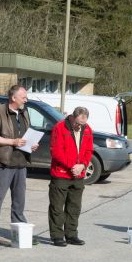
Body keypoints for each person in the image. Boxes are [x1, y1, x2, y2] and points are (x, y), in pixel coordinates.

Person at [0, 84, 39, 249]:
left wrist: (31, 145)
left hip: (21, 163)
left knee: (19, 202)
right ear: (13, 98)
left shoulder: (24, 112)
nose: (26, 100)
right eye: (23, 97)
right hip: (3, 164)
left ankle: (22, 234)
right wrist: (12, 142)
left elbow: (26, 134)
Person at [48, 106, 93, 247]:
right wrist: (71, 166)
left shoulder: (88, 130)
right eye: (78, 123)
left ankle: (72, 235)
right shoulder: (60, 127)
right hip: (61, 174)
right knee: (57, 207)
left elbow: (88, 150)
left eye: (83, 124)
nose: (80, 127)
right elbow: (56, 152)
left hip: (78, 175)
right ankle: (57, 236)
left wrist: (82, 165)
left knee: (74, 207)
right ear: (72, 117)